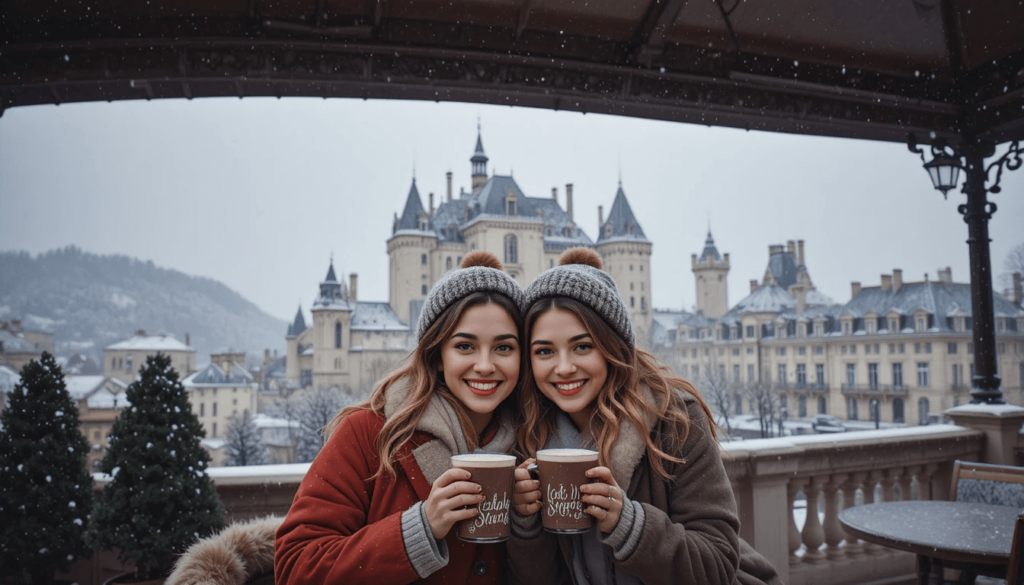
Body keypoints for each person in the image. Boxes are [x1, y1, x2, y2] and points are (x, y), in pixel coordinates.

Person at [508, 247, 781, 585]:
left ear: (614, 347)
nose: (564, 368)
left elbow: (717, 565)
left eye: (583, 346)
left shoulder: (674, 421)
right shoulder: (527, 437)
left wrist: (629, 525)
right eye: (545, 351)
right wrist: (525, 524)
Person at [275, 251, 525, 585]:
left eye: (504, 348)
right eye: (465, 346)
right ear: (437, 355)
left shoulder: (534, 443)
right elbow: (296, 567)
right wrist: (419, 530)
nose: (485, 365)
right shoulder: (369, 434)